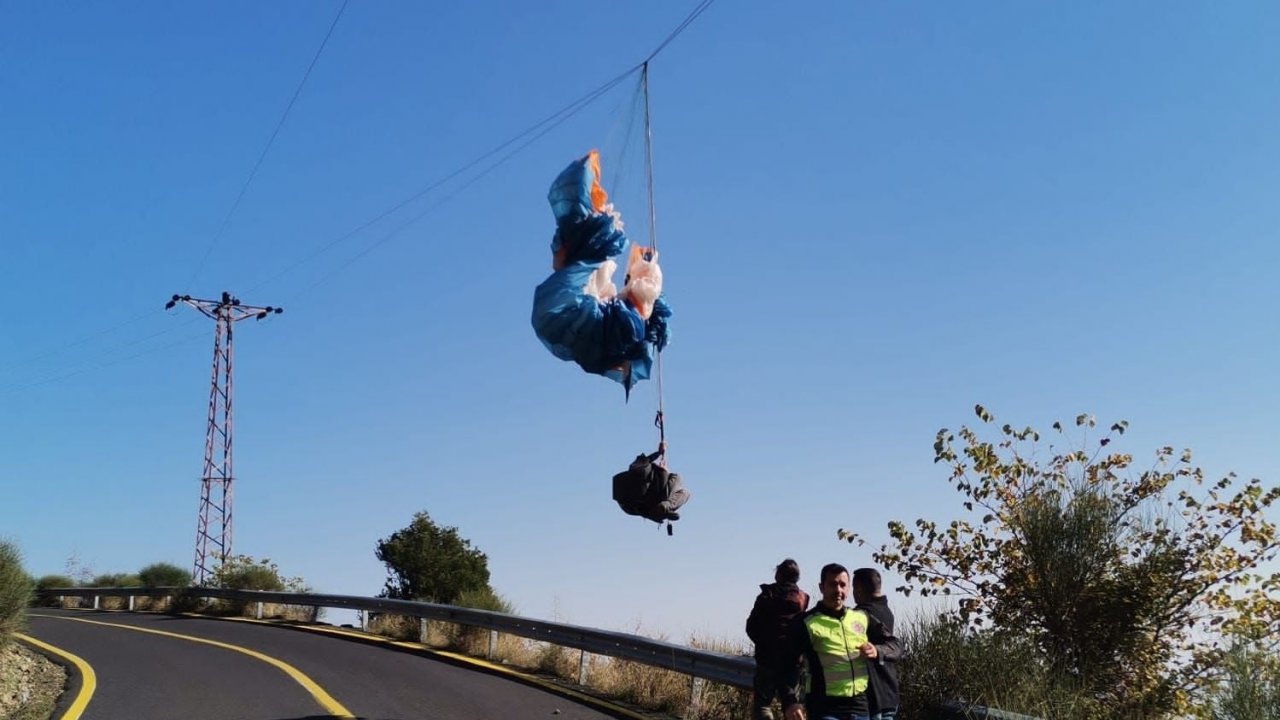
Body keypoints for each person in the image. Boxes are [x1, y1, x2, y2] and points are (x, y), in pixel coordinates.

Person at [781, 563, 901, 720]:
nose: (838, 590)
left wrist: (878, 650)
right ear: (821, 587)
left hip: (860, 708)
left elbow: (896, 646)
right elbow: (785, 664)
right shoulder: (806, 622)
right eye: (833, 584)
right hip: (825, 709)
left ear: (849, 588)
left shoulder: (861, 617)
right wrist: (790, 701)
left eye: (843, 585)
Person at [746, 559, 811, 720]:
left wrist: (763, 645)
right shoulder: (803, 599)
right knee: (791, 704)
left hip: (767, 660)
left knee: (763, 704)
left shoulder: (767, 595)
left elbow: (751, 627)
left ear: (778, 574)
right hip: (792, 661)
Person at [852, 568, 898, 720]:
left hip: (871, 694)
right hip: (890, 693)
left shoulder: (860, 614)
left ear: (858, 588)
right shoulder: (887, 612)